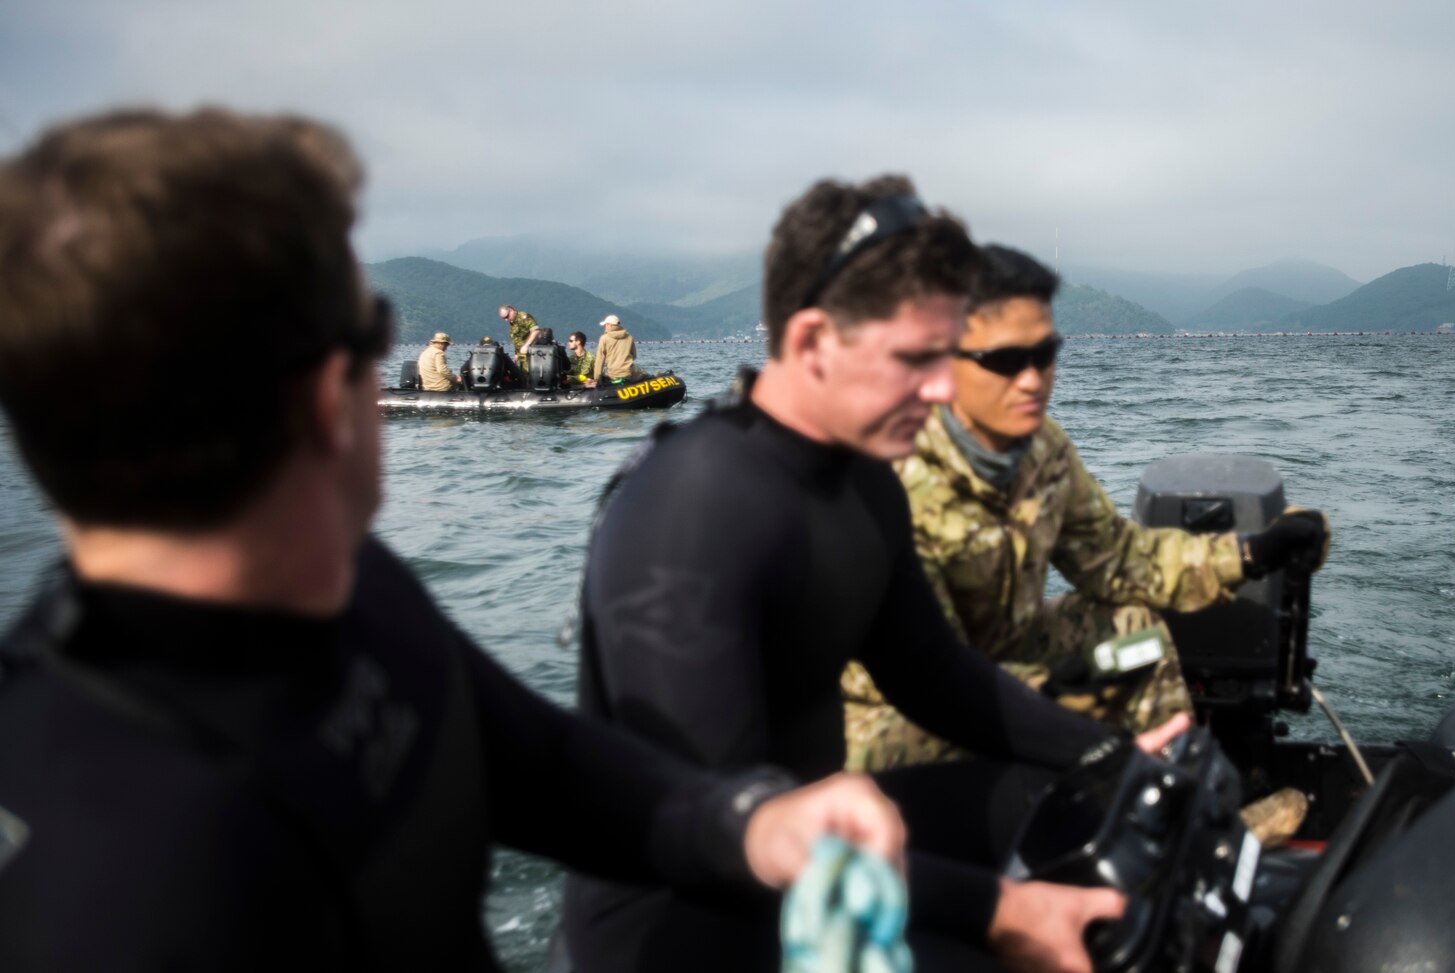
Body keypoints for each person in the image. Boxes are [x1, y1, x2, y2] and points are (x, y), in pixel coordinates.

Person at [0, 107, 908, 971]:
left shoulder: (341, 586)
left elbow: (542, 762)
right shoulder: (124, 897)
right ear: (328, 399)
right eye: (376, 332)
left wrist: (752, 821)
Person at [567, 176, 1187, 973]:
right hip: (694, 931)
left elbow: (937, 679)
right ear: (814, 340)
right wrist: (1000, 910)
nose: (941, 389)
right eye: (916, 359)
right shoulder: (694, 510)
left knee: (1077, 806)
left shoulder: (862, 486)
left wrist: (1111, 756)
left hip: (817, 859)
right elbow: (720, 830)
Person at [841, 245, 1331, 773]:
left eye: (1043, 354)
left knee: (1132, 635)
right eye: (1005, 360)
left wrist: (1254, 553)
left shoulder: (1040, 449)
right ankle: (1115, 802)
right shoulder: (890, 480)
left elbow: (1117, 561)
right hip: (892, 714)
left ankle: (1179, 805)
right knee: (1056, 710)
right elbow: (935, 682)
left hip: (997, 663)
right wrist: (1078, 719)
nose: (1031, 379)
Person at [590, 313, 643, 385]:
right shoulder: (629, 337)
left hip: (613, 374)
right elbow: (634, 356)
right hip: (627, 373)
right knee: (641, 372)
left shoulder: (604, 338)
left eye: (606, 325)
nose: (604, 327)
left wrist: (597, 379)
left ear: (610, 325)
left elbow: (600, 360)